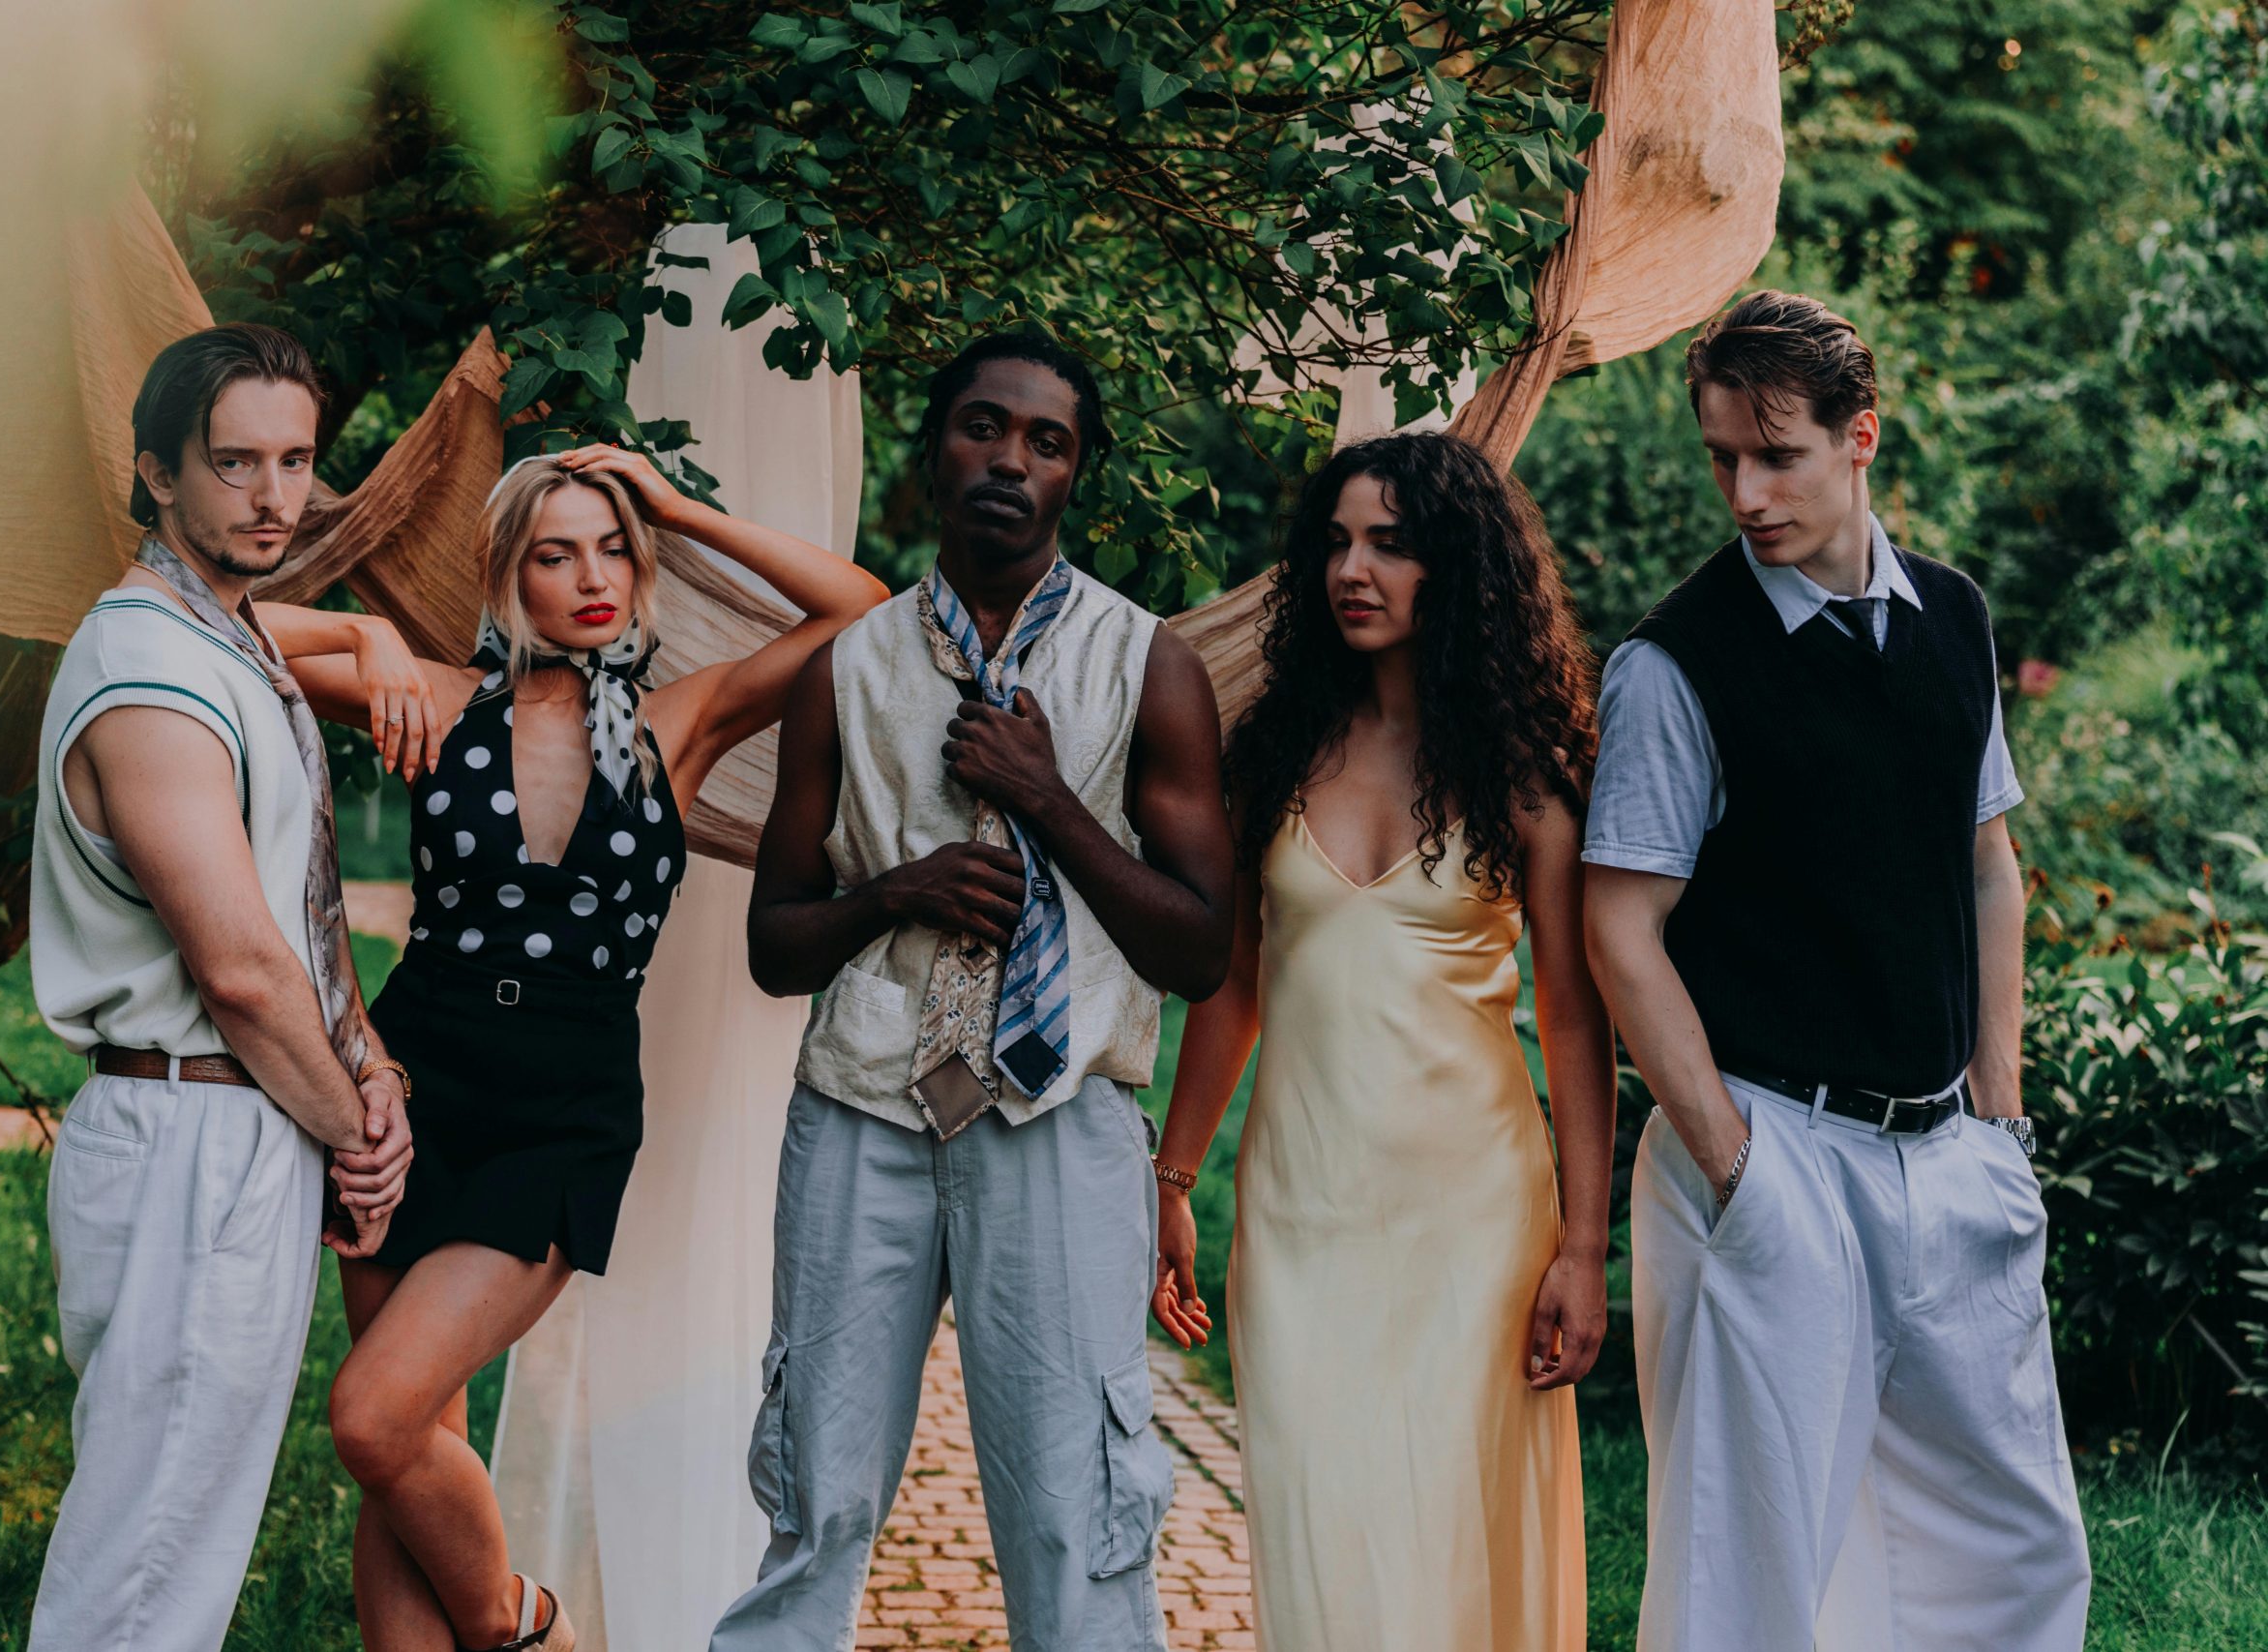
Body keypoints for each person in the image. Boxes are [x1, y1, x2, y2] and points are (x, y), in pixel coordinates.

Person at [254, 439, 886, 1652]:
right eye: (557, 553)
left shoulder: (676, 725)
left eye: (614, 548)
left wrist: (678, 508)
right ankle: (513, 1622)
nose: (594, 575)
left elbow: (859, 609)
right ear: (508, 576)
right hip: (405, 1088)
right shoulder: (437, 700)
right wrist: (373, 645)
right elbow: (215, 632)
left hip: (565, 1110)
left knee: (374, 1421)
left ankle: (516, 1626)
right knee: (413, 1442)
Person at [707, 329, 1237, 1652]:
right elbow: (775, 948)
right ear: (932, 446)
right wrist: (897, 890)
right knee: (816, 1501)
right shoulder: (846, 669)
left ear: (1076, 474)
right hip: (862, 1116)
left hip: (1059, 1124)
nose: (1009, 459)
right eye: (983, 427)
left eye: (1045, 441)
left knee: (1076, 1519)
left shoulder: (1149, 665)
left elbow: (1199, 951)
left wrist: (1048, 798)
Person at [1582, 290, 2092, 1652]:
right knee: (1749, 1574)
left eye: (1778, 454)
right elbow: (1620, 929)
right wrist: (1736, 1163)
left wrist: (2000, 1109)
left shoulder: (1954, 618)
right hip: (1771, 1143)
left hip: (1948, 1147)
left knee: (2014, 1546)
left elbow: (1990, 862)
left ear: (1860, 438)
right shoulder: (1671, 666)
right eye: (1720, 458)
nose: (1744, 492)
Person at [1148, 430, 1612, 1652]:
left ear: (1453, 568)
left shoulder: (1529, 778)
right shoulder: (1273, 754)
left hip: (1473, 1224)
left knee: (1457, 1545)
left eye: (1391, 546)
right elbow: (1233, 989)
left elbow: (1573, 1018)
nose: (1354, 569)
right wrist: (1174, 1176)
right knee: (1320, 1543)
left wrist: (1583, 1245)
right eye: (1338, 543)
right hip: (1299, 1222)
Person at [26, 322, 414, 1651]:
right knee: (140, 1575)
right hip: (192, 1125)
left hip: (240, 1121)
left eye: (296, 459)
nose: (274, 496)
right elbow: (245, 969)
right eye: (234, 461)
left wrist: (375, 1070)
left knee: (173, 1553)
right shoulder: (146, 669)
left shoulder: (224, 636)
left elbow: (294, 923)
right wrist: (357, 1127)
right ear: (156, 475)